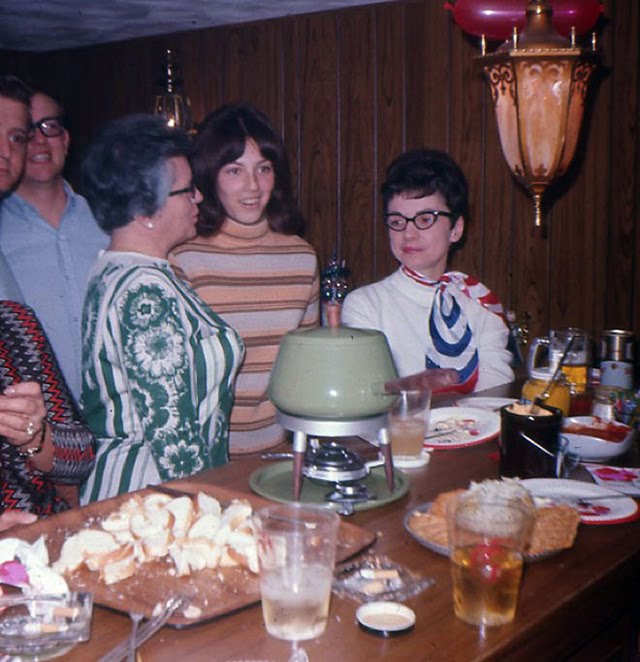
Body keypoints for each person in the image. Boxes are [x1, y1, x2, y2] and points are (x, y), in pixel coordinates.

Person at [80, 114, 244, 503]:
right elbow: (176, 445)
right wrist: (212, 514)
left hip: (152, 496)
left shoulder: (118, 268)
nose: (198, 197)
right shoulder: (144, 291)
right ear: (145, 211)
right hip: (151, 501)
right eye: (187, 190)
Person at [171, 103, 319, 455]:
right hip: (205, 456)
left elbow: (307, 367)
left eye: (263, 169)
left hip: (279, 450)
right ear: (209, 177)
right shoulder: (182, 258)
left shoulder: (302, 257)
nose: (252, 186)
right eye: (234, 171)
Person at [0, 76, 95, 530]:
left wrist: (36, 435)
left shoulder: (15, 318)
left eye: (15, 136)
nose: (9, 149)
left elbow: (75, 453)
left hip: (40, 517)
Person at [342, 149, 513, 393]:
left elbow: (495, 388)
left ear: (456, 229)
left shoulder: (480, 302)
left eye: (425, 219)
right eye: (397, 221)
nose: (408, 234)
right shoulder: (365, 305)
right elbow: (368, 393)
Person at [0, 89, 109, 401]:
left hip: (114, 416)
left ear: (66, 139)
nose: (39, 140)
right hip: (37, 419)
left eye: (50, 126)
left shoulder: (109, 221)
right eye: (26, 133)